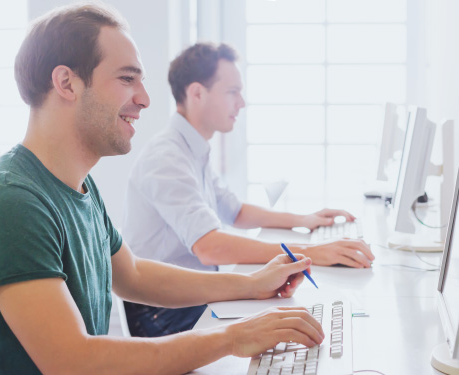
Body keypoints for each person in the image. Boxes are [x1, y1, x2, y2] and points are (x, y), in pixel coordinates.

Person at [0, 3, 326, 374]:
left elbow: (131, 274)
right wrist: (232, 338)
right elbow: (72, 361)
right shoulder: (8, 203)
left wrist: (252, 285)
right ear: (66, 83)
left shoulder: (79, 186)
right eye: (126, 79)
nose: (145, 99)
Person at [122, 42, 375, 337]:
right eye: (232, 92)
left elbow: (236, 211)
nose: (241, 103)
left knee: (292, 308)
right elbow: (210, 247)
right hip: (162, 313)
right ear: (197, 93)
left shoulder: (191, 149)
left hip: (187, 297)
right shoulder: (166, 157)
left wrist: (304, 220)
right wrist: (310, 254)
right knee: (288, 317)